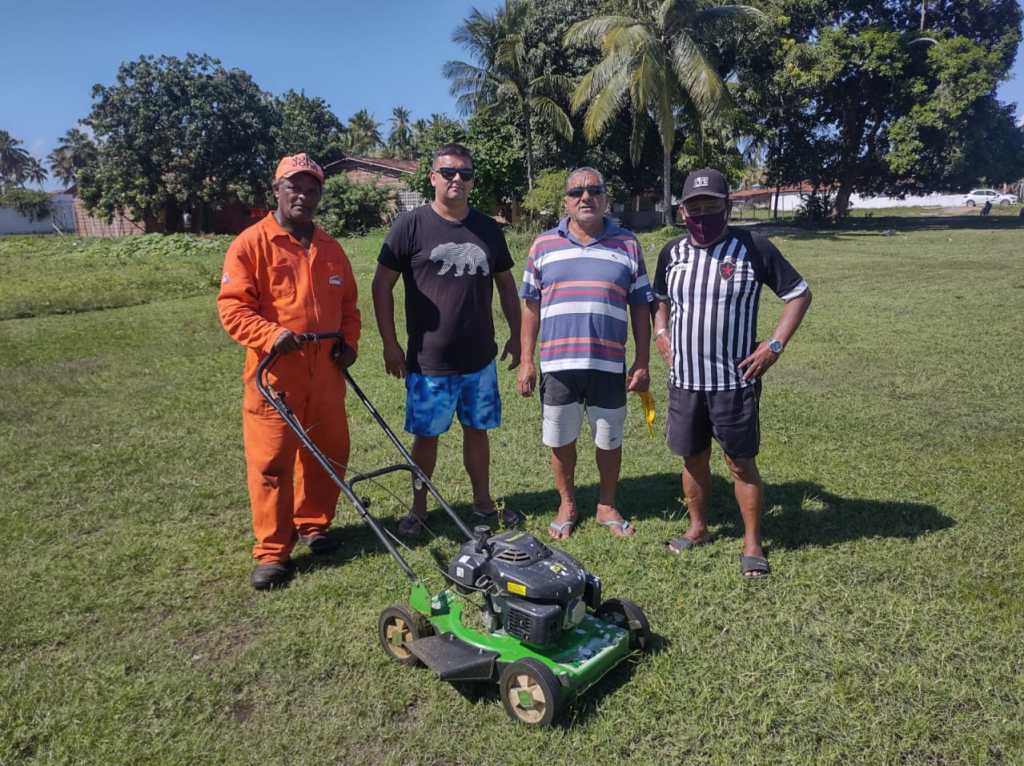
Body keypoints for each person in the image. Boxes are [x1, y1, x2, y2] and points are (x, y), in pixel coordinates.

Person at [653, 168, 811, 578]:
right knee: (692, 460)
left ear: (727, 207)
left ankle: (752, 542)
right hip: (686, 381)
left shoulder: (753, 247)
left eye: (711, 206)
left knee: (740, 464)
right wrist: (661, 332)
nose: (702, 215)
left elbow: (798, 294)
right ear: (682, 211)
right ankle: (698, 528)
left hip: (734, 382)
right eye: (694, 208)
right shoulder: (671, 252)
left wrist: (774, 345)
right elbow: (659, 299)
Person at [218, 153, 361, 590]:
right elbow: (233, 308)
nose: (303, 195)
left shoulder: (331, 249)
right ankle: (273, 552)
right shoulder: (251, 244)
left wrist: (349, 343)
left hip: (326, 375)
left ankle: (314, 525)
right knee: (272, 464)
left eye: (312, 188)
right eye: (294, 187)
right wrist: (269, 334)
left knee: (329, 452)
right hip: (276, 377)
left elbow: (349, 308)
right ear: (276, 190)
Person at [371, 143, 522, 536]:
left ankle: (483, 503)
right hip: (429, 360)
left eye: (465, 174)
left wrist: (517, 334)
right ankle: (419, 508)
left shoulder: (487, 229)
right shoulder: (410, 226)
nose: (457, 179)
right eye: (449, 172)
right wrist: (390, 343)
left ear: (472, 181)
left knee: (477, 430)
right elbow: (381, 285)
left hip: (479, 358)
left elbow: (506, 285)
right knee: (426, 437)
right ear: (433, 177)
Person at [517, 167, 652, 539]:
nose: (585, 197)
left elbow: (641, 305)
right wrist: (527, 361)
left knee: (609, 439)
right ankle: (567, 503)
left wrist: (642, 361)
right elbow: (530, 306)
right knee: (561, 439)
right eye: (577, 192)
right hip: (558, 365)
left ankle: (606, 504)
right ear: (566, 201)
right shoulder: (543, 245)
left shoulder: (628, 244)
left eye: (594, 190)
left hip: (608, 363)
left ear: (606, 198)